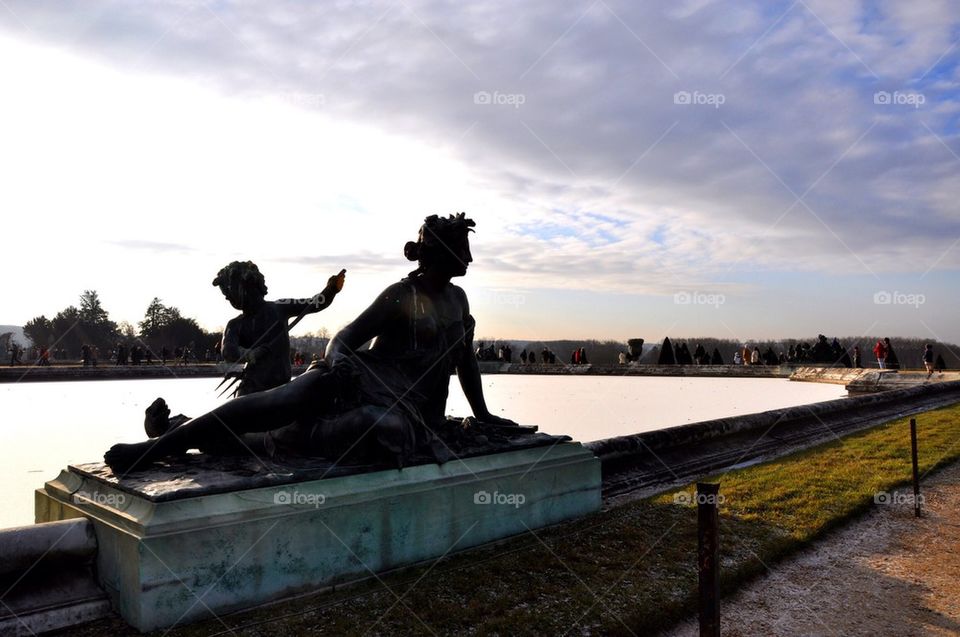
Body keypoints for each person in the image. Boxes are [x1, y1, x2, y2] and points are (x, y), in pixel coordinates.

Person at [105, 213, 519, 473]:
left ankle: (179, 428)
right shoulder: (400, 295)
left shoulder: (458, 300)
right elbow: (343, 339)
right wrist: (339, 366)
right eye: (460, 250)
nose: (468, 259)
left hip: (408, 405)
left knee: (294, 435)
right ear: (435, 254)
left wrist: (482, 414)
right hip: (356, 379)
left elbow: (465, 361)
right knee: (271, 407)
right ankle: (152, 448)